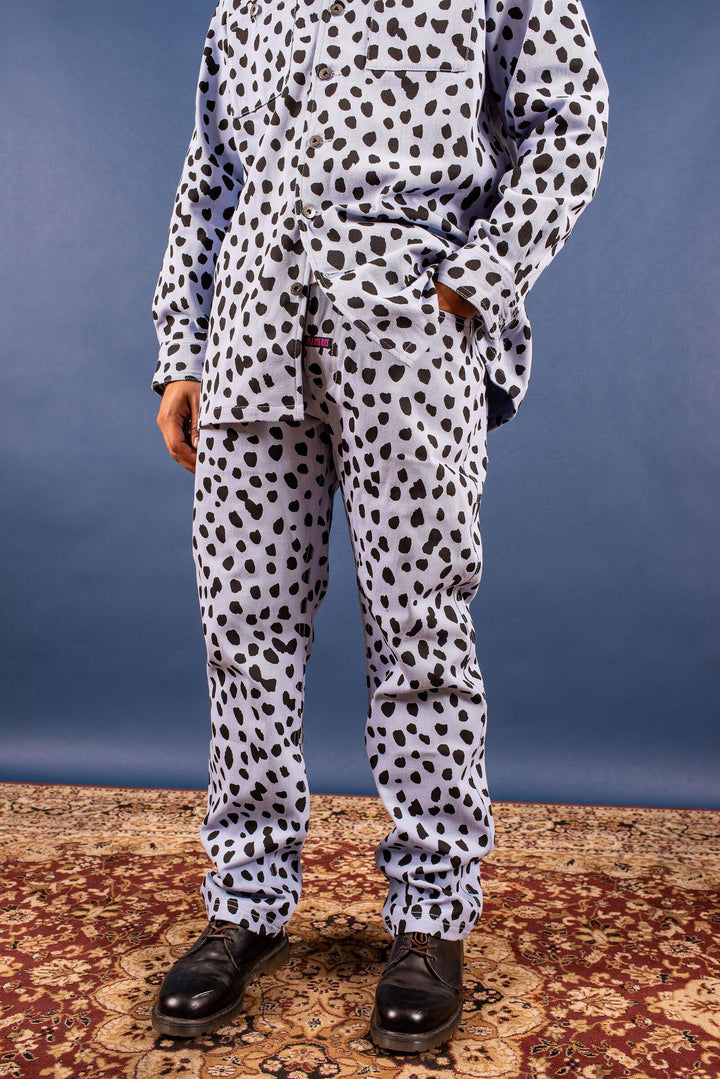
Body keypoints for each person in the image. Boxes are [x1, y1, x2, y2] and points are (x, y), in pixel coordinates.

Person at [150, 0, 609, 1053]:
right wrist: (184, 346)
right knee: (243, 630)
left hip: (408, 336)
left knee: (419, 628)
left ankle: (431, 916)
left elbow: (572, 118)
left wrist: (476, 283)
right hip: (252, 333)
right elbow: (210, 168)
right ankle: (245, 900)